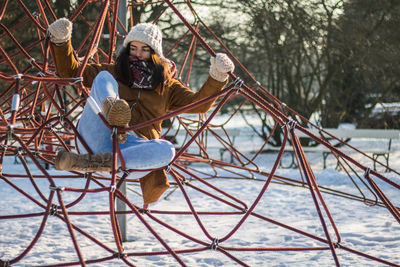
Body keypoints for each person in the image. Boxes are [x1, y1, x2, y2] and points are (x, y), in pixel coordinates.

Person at [48, 18, 235, 205]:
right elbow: (71, 72)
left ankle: (93, 162)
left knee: (167, 150)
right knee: (102, 77)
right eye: (133, 48)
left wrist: (217, 77)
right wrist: (61, 41)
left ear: (155, 53)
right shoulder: (115, 72)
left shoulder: (166, 87)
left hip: (132, 152)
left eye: (145, 49)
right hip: (99, 135)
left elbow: (198, 104)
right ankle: (114, 111)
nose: (137, 54)